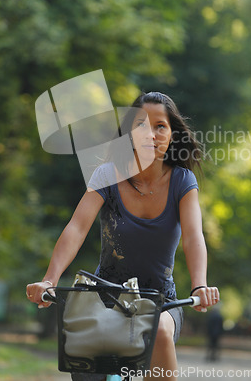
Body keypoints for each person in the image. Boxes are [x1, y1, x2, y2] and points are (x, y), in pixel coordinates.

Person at [26, 91, 220, 381]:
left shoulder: (182, 181)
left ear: (171, 135)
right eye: (141, 125)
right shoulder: (108, 175)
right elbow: (76, 228)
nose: (150, 134)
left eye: (160, 126)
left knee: (160, 330)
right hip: (102, 301)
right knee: (84, 363)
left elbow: (193, 237)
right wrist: (49, 280)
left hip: (160, 301)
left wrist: (199, 285)